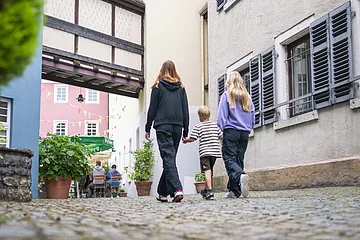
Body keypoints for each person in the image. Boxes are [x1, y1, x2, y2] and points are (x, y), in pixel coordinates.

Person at [145, 60, 189, 203]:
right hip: (177, 126)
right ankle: (163, 192)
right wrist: (186, 130)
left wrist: (148, 128)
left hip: (163, 126)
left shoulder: (157, 86)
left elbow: (152, 109)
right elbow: (185, 110)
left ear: (161, 70)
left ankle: (177, 189)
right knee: (169, 158)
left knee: (168, 158)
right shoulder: (181, 87)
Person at [217, 71, 255, 198]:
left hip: (231, 131)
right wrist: (250, 127)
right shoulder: (247, 97)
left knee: (229, 159)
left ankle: (240, 175)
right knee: (238, 159)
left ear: (230, 82)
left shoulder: (227, 95)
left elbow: (222, 115)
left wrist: (219, 129)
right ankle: (234, 190)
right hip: (244, 133)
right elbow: (253, 115)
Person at [183, 106, 222, 200]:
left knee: (206, 171)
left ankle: (210, 191)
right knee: (209, 171)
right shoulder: (215, 125)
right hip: (214, 152)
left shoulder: (199, 126)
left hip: (205, 152)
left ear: (200, 116)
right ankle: (206, 190)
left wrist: (186, 140)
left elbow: (193, 138)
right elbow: (220, 136)